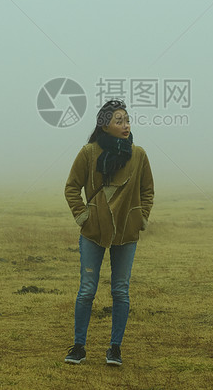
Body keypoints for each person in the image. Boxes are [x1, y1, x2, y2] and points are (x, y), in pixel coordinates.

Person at [63, 99, 154, 366]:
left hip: (126, 230)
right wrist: (83, 216)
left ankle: (115, 348)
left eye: (127, 120)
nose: (126, 125)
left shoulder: (138, 155)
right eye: (119, 121)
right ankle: (79, 346)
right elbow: (71, 188)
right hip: (93, 230)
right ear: (105, 125)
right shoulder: (88, 152)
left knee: (121, 291)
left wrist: (141, 217)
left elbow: (148, 191)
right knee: (87, 290)